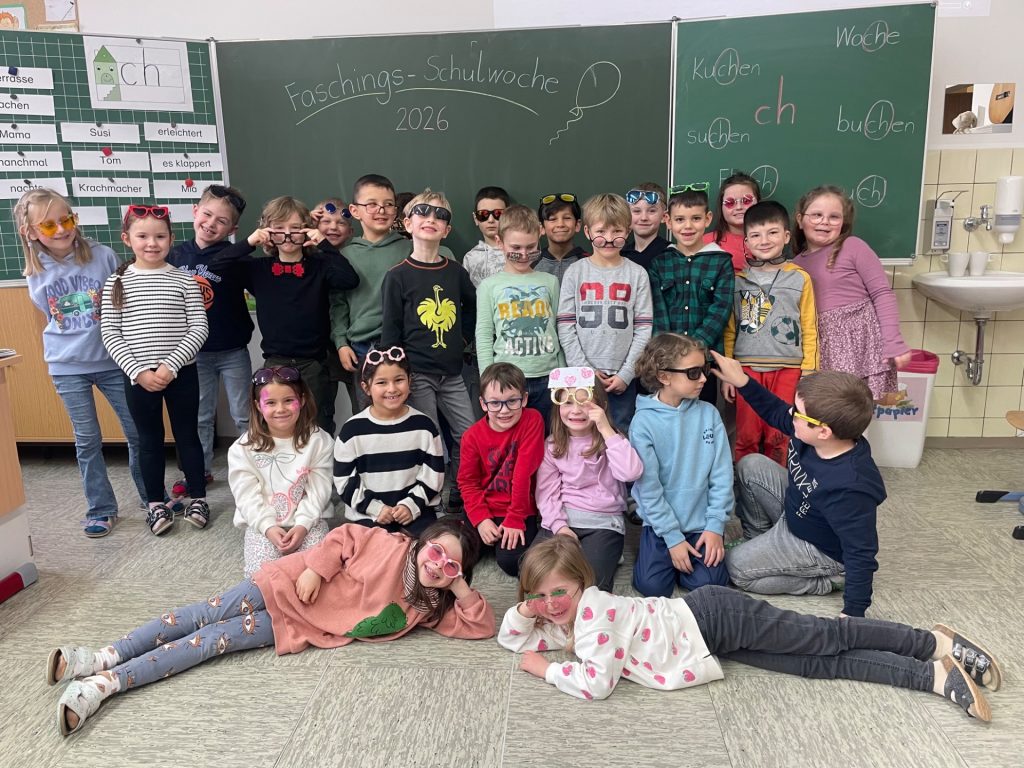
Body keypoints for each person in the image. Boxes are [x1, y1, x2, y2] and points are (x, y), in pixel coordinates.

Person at [48, 517, 495, 736]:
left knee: (209, 642)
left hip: (297, 627)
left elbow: (481, 627)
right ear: (422, 542)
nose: (438, 565)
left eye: (451, 566)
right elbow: (344, 537)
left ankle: (105, 685)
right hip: (287, 584)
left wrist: (458, 587)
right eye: (436, 552)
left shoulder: (429, 607)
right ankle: (101, 657)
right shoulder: (390, 545)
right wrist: (315, 569)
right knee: (200, 615)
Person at [497, 536, 1002, 722]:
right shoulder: (565, 617)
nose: (550, 605)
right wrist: (524, 611)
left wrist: (546, 670)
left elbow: (597, 684)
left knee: (828, 636)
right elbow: (511, 638)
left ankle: (934, 642)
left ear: (582, 585)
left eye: (559, 592)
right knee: (816, 666)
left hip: (715, 617)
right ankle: (934, 676)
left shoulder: (593, 615)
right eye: (540, 597)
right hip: (712, 640)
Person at [711, 349, 884, 618]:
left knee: (736, 569)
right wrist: (742, 380)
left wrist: (854, 611)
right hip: (798, 511)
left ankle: (827, 581)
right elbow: (774, 410)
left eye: (798, 412)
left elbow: (861, 552)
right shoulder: (813, 433)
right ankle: (758, 537)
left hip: (817, 548)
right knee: (751, 465)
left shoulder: (850, 486)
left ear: (823, 431)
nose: (790, 413)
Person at [16, 189, 147, 537]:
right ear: (30, 232)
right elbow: (51, 316)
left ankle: (151, 496)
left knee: (137, 431)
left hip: (112, 360)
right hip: (67, 365)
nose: (61, 229)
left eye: (66, 219)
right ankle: (101, 509)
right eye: (48, 225)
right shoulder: (35, 270)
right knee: (87, 440)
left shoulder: (103, 256)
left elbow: (121, 303)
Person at [100, 206, 210, 535]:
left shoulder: (184, 280)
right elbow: (110, 333)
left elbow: (199, 328)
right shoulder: (117, 282)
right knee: (148, 441)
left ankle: (198, 498)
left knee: (188, 436)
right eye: (143, 236)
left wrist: (171, 365)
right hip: (138, 378)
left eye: (160, 236)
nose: (152, 243)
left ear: (171, 239)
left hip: (181, 374)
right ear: (127, 239)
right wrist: (138, 372)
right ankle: (155, 504)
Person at [208, 196, 359, 433]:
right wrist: (250, 241)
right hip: (276, 362)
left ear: (307, 230)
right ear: (267, 231)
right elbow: (215, 266)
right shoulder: (258, 269)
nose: (287, 234)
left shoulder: (319, 266)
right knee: (280, 426)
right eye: (279, 228)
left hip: (314, 363)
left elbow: (349, 279)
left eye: (296, 228)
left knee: (319, 424)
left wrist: (323, 243)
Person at [380, 189, 476, 501]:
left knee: (468, 434)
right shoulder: (397, 276)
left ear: (447, 230)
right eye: (422, 211)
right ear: (407, 223)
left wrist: (462, 340)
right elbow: (390, 330)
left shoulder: (455, 272)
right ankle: (428, 497)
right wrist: (397, 372)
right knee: (429, 438)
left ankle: (460, 491)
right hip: (418, 373)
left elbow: (472, 308)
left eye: (440, 215)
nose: (431, 218)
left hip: (452, 373)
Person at [629, 333, 732, 596]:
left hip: (701, 524)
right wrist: (673, 538)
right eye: (693, 373)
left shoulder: (709, 414)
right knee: (652, 587)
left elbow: (722, 475)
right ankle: (662, 553)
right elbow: (649, 489)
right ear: (664, 376)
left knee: (709, 585)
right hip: (661, 525)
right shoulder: (642, 423)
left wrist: (715, 526)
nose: (704, 379)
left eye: (704, 370)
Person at [168, 184, 252, 496]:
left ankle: (253, 470)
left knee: (244, 415)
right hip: (193, 354)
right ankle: (198, 471)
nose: (211, 224)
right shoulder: (174, 255)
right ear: (195, 211)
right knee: (200, 416)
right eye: (206, 214)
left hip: (233, 350)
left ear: (233, 229)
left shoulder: (237, 258)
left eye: (222, 221)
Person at [792, 185, 911, 399]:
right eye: (817, 215)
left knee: (854, 408)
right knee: (825, 407)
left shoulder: (853, 247)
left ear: (844, 222)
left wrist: (892, 341)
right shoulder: (795, 265)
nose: (824, 222)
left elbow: (882, 294)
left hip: (858, 346)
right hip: (820, 347)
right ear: (800, 220)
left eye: (834, 217)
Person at [722, 200, 818, 465]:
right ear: (746, 242)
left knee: (780, 433)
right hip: (746, 370)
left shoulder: (800, 278)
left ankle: (777, 485)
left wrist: (809, 370)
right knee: (747, 433)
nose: (764, 241)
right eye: (755, 235)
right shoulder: (737, 281)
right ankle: (746, 484)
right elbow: (730, 329)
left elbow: (809, 326)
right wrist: (729, 374)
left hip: (788, 369)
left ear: (786, 236)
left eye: (772, 232)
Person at [534, 367, 643, 590]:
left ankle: (607, 553)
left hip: (604, 521)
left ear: (601, 407)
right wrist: (559, 526)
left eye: (585, 402)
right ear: (558, 406)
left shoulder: (612, 439)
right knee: (534, 572)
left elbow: (631, 473)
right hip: (564, 517)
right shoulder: (553, 445)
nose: (576, 410)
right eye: (567, 402)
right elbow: (546, 493)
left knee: (593, 585)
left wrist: (606, 429)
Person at [557, 193, 653, 431]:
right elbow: (566, 325)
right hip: (582, 378)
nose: (609, 239)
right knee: (582, 435)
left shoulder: (637, 274)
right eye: (601, 232)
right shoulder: (575, 272)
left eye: (616, 231)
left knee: (620, 435)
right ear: (587, 231)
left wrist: (627, 373)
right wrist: (585, 371)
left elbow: (643, 328)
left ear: (628, 231)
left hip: (622, 380)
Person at [229, 366, 334, 578]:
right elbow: (247, 498)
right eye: (270, 402)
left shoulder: (320, 441)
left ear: (301, 400)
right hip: (262, 526)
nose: (281, 409)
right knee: (262, 578)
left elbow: (318, 491)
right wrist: (267, 527)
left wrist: (303, 525)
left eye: (288, 400)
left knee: (317, 572)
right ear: (258, 405)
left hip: (309, 522)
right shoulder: (242, 449)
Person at [334, 346, 445, 537]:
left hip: (416, 511)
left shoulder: (424, 426)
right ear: (366, 387)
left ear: (409, 381)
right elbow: (344, 480)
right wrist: (375, 508)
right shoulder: (351, 431)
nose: (392, 389)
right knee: (373, 551)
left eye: (399, 380)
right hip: (368, 514)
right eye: (382, 382)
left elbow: (434, 474)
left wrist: (411, 505)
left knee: (433, 547)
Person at [475, 204, 564, 429]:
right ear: (499, 242)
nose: (524, 254)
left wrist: (563, 375)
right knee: (510, 437)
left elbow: (559, 329)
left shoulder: (550, 282)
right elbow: (484, 334)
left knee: (548, 435)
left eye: (531, 247)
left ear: (539, 238)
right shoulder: (489, 286)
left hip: (548, 377)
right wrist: (488, 380)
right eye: (515, 247)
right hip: (506, 380)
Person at [649, 185, 733, 406]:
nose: (688, 226)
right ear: (668, 221)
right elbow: (658, 311)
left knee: (702, 413)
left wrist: (695, 348)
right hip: (668, 362)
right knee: (666, 413)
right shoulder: (660, 263)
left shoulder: (721, 262)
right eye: (680, 219)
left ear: (708, 219)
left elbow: (720, 310)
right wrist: (670, 351)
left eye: (696, 218)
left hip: (704, 362)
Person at [459, 362, 544, 576]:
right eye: (495, 403)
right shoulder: (471, 436)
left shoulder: (532, 419)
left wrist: (515, 518)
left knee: (512, 563)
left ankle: (500, 545)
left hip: (519, 507)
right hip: (484, 505)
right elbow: (468, 482)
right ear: (483, 403)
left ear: (524, 399)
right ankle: (486, 538)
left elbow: (523, 474)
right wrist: (481, 519)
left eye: (512, 401)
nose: (504, 410)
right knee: (459, 554)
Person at [311, 196, 356, 435]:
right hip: (318, 348)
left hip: (351, 342)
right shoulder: (306, 256)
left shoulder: (355, 258)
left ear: (351, 231)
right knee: (320, 413)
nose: (333, 227)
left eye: (341, 223)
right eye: (326, 221)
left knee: (363, 405)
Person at [704, 171, 761, 271]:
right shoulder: (705, 243)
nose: (739, 207)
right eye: (730, 202)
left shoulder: (771, 240)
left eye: (746, 201)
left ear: (758, 202)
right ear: (721, 206)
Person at [533, 192, 587, 286]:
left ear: (577, 225)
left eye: (567, 218)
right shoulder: (532, 264)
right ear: (541, 228)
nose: (560, 224)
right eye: (552, 219)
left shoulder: (589, 262)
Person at [463, 185, 511, 287]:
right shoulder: (470, 258)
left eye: (498, 213)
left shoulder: (520, 252)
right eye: (483, 214)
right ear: (476, 218)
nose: (490, 220)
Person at [622, 183, 671, 271]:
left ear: (664, 217)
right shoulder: (620, 254)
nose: (644, 218)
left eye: (652, 211)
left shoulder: (671, 254)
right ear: (627, 215)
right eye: (636, 211)